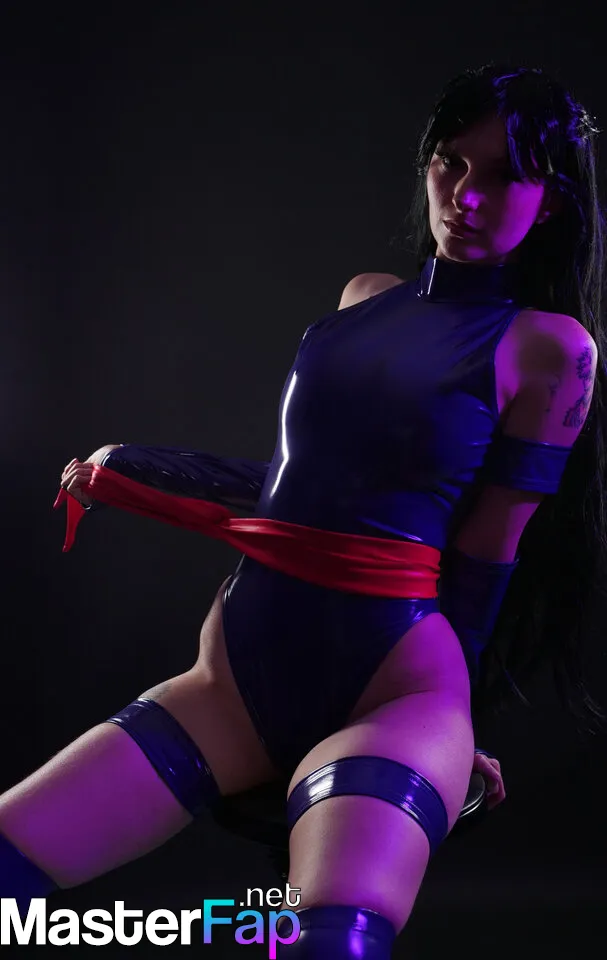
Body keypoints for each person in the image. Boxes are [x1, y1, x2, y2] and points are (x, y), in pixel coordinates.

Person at [2, 61, 606, 958]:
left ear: (550, 201)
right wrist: (140, 468)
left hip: (398, 692)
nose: (466, 195)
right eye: (449, 161)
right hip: (231, 683)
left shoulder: (549, 349)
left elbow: (488, 548)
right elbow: (306, 489)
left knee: (326, 938)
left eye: (505, 174)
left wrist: (460, 725)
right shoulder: (360, 301)